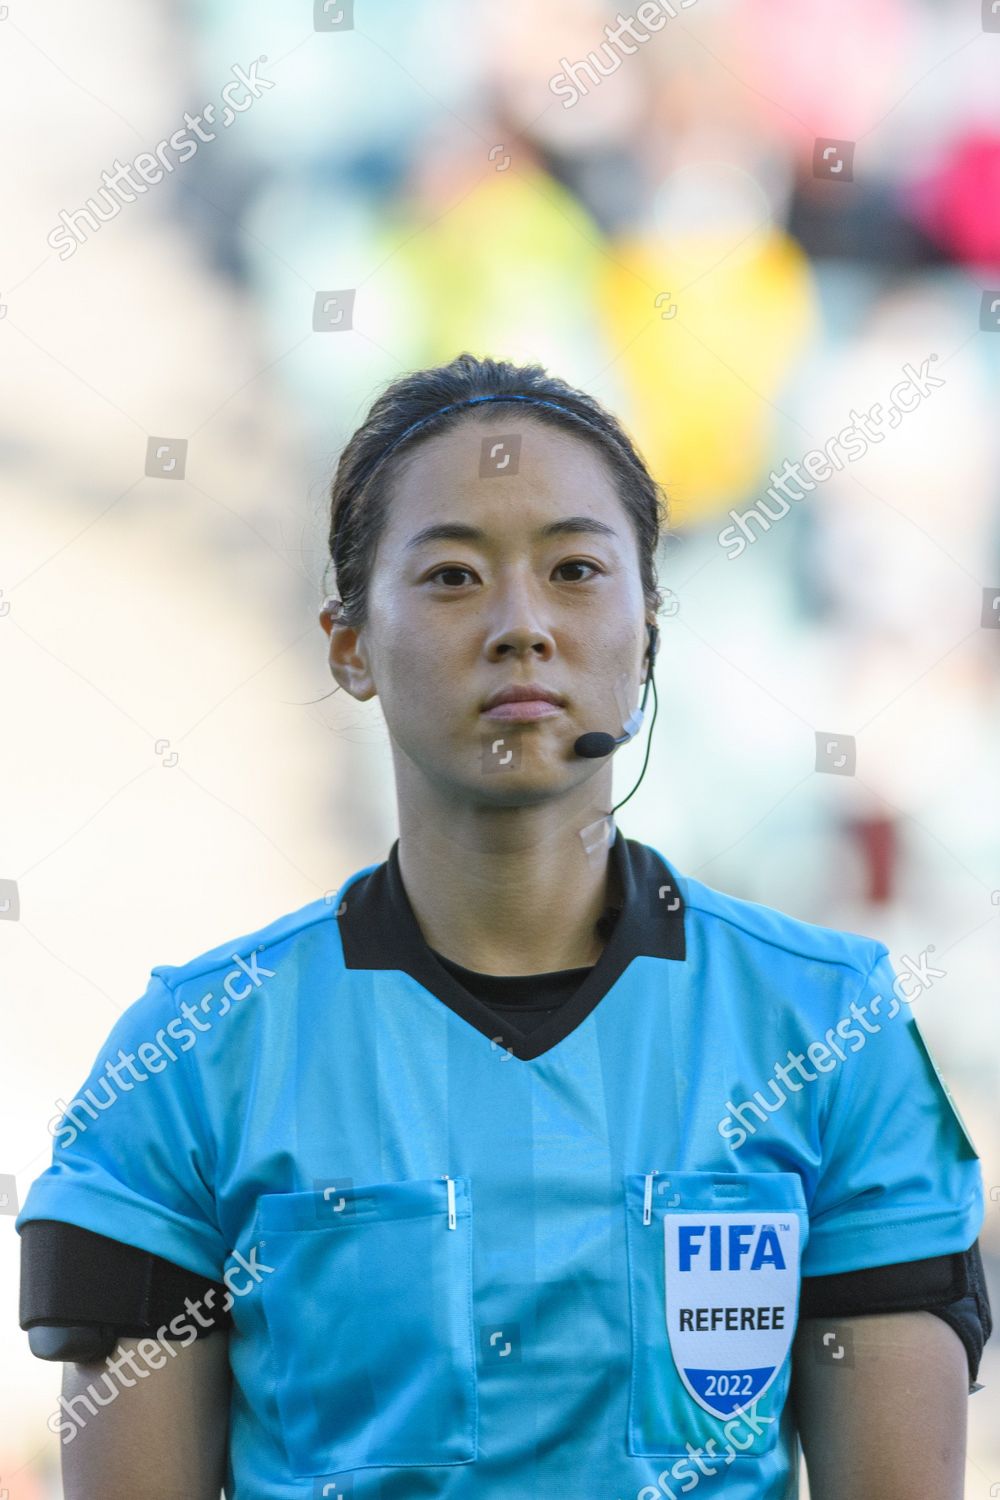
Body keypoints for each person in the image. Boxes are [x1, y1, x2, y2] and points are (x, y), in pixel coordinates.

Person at [17, 353, 991, 1500]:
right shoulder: (192, 1057)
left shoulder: (830, 1028)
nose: (523, 624)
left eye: (576, 569)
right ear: (347, 644)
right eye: (451, 577)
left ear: (649, 630)